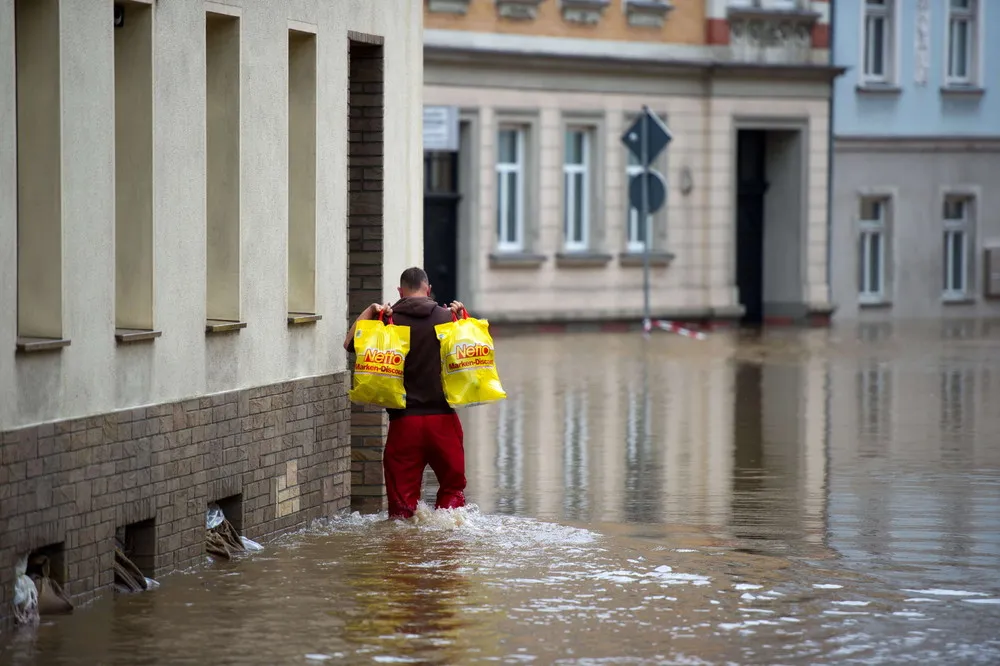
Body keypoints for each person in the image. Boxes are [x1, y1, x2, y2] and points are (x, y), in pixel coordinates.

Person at [344, 267, 466, 519]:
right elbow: (473, 354)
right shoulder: (447, 318)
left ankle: (402, 554)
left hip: (403, 424)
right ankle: (450, 552)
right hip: (443, 422)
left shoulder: (387, 322)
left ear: (400, 291)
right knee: (453, 490)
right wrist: (463, 316)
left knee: (401, 507)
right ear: (428, 290)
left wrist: (370, 311)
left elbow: (349, 344)